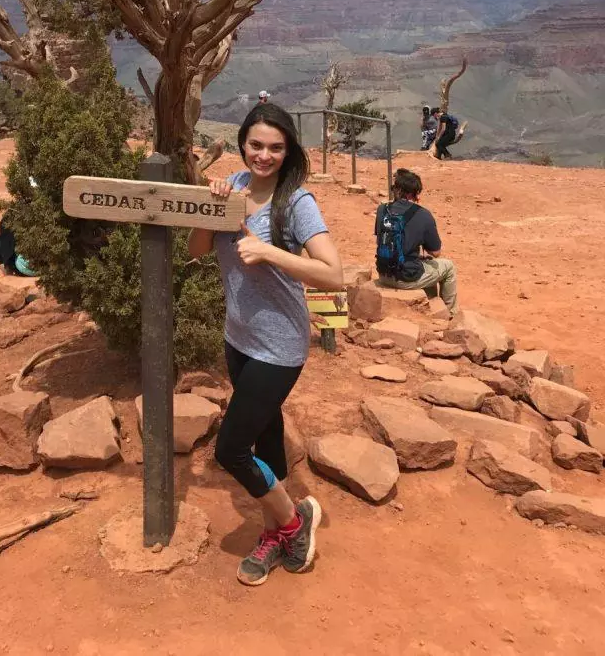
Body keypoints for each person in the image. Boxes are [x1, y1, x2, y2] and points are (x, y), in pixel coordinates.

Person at [188, 102, 343, 587]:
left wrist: (269, 250)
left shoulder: (297, 203)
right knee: (267, 436)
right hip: (238, 338)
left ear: (289, 150)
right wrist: (211, 209)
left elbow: (333, 274)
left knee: (231, 450)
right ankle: (275, 532)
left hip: (280, 344)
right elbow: (196, 251)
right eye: (256, 145)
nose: (265, 155)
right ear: (242, 144)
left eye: (276, 147)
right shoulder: (231, 189)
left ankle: (295, 523)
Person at [374, 167, 457, 313]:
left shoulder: (382, 209)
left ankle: (431, 305)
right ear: (415, 193)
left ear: (397, 190)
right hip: (406, 278)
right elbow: (436, 252)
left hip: (383, 274)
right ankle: (449, 313)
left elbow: (381, 239)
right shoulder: (423, 214)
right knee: (448, 267)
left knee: (422, 264)